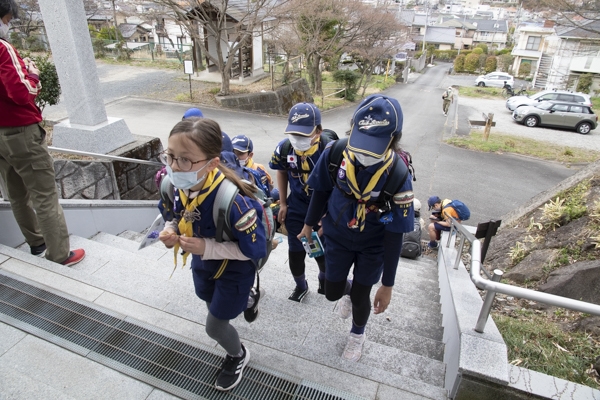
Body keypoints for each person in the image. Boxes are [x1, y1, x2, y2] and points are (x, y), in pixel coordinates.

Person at [298, 95, 414, 361]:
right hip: (337, 236)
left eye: (373, 146)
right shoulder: (336, 153)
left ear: (393, 139)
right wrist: (307, 225)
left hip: (373, 244)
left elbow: (395, 233)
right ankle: (347, 291)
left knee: (363, 296)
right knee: (331, 292)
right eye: (361, 141)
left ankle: (357, 334)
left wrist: (388, 284)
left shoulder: (398, 174)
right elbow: (321, 191)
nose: (363, 153)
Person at [157, 117, 266, 391]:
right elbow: (173, 214)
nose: (173, 166)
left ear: (212, 163)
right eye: (170, 156)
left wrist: (207, 247)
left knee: (214, 326)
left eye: (184, 160)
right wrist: (170, 231)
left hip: (234, 271)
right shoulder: (174, 187)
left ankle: (237, 354)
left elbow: (255, 249)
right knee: (208, 299)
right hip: (203, 266)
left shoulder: (234, 202)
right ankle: (247, 300)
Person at [0, 0, 85, 266]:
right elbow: (22, 92)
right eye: (8, 19)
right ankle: (59, 254)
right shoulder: (3, 49)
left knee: (15, 193)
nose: (9, 24)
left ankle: (36, 243)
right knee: (44, 194)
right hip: (20, 132)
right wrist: (33, 74)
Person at [269, 102, 329, 302]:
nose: (297, 139)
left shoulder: (329, 151)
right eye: (293, 134)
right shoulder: (285, 148)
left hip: (323, 209)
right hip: (297, 206)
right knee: (295, 251)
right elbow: (282, 172)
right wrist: (284, 203)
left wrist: (327, 215)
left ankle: (323, 279)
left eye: (303, 135)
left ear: (318, 131)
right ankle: (301, 285)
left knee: (322, 250)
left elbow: (339, 185)